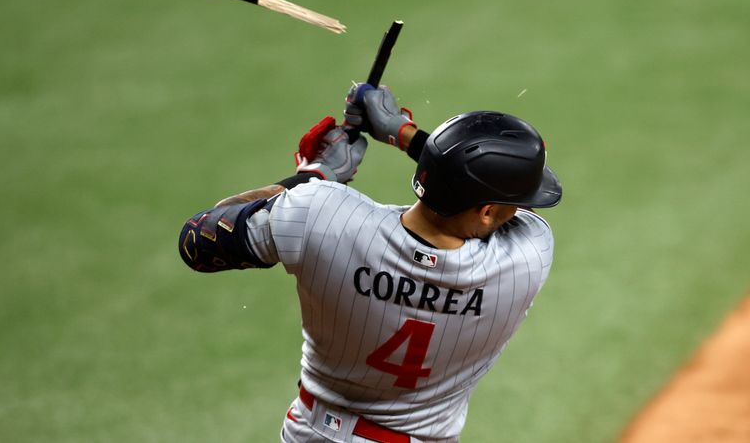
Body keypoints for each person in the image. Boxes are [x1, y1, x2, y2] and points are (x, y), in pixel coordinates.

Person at [178, 84, 562, 442]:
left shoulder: (320, 215)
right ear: (488, 211)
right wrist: (404, 133)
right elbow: (495, 204)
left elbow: (199, 241)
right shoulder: (528, 257)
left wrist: (310, 177)